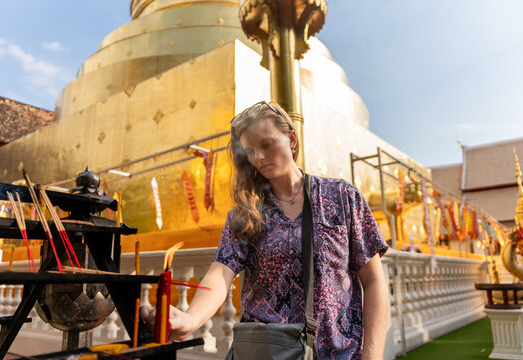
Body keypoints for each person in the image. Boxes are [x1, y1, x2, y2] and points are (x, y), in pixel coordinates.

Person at [141, 101, 390, 359]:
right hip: (265, 351)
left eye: (267, 145)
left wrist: (372, 356)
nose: (258, 157)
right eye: (250, 150)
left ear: (292, 139)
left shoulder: (341, 196)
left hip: (338, 353)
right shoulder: (245, 213)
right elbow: (221, 273)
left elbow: (373, 281)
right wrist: (191, 319)